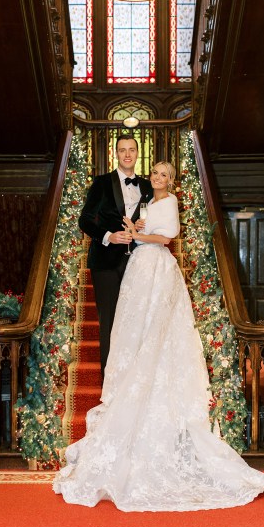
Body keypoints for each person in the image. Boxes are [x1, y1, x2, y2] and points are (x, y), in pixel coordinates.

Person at [53, 161, 264, 512]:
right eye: (154, 174)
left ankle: (150, 377)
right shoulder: (148, 200)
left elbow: (168, 237)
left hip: (155, 264)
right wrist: (134, 227)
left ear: (171, 181)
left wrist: (139, 235)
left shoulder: (168, 202)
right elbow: (129, 223)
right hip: (138, 265)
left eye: (164, 176)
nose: (157, 179)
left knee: (156, 328)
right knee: (133, 327)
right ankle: (132, 374)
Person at [78, 134, 152, 379]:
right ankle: (109, 382)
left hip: (139, 261)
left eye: (132, 150)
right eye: (122, 150)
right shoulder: (101, 183)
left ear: (137, 153)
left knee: (136, 320)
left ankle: (132, 380)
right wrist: (109, 236)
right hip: (106, 262)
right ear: (116, 154)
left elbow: (156, 220)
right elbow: (85, 220)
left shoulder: (148, 186)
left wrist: (145, 226)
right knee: (108, 321)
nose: (127, 154)